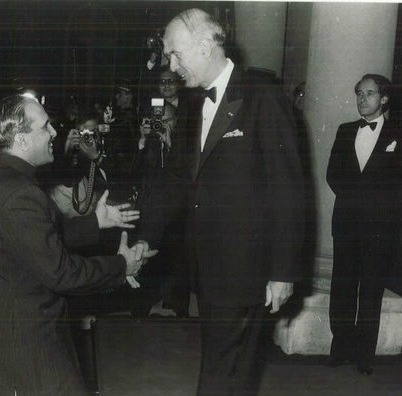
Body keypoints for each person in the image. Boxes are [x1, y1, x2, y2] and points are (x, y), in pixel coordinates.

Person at [138, 9, 305, 394]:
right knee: (231, 369)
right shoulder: (194, 106)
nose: (171, 64)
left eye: (176, 54)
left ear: (206, 45)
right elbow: (177, 180)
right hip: (208, 265)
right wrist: (146, 236)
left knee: (222, 369)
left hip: (247, 266)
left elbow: (288, 190)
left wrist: (282, 271)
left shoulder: (262, 97)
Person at [0, 93, 156, 395]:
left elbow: (35, 240)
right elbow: (61, 273)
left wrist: (96, 222)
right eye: (45, 127)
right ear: (22, 140)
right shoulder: (20, 194)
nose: (54, 133)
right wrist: (122, 264)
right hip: (24, 343)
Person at [326, 74, 402, 376]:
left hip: (379, 228)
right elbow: (333, 175)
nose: (362, 99)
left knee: (370, 291)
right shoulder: (344, 130)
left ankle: (364, 355)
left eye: (369, 93)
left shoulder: (400, 134)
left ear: (384, 98)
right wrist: (358, 198)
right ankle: (340, 348)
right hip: (347, 223)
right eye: (359, 93)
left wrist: (378, 207)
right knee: (342, 287)